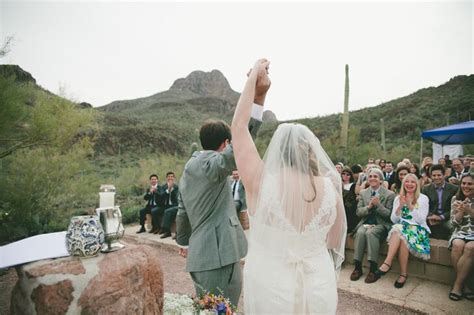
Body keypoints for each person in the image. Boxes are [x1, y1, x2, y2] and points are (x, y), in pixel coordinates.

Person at [232, 59, 346, 314]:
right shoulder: (331, 186)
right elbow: (335, 239)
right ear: (312, 152)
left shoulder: (261, 182)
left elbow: (239, 129)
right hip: (319, 284)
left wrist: (256, 87)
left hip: (271, 287)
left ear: (277, 153)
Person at [175, 62, 270, 307]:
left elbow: (182, 211)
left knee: (208, 309)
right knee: (225, 309)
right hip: (217, 257)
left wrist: (184, 242)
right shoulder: (212, 164)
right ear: (225, 143)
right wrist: (258, 98)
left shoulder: (189, 168)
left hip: (200, 255)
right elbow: (242, 142)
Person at [374, 173, 431, 288]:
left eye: (413, 182)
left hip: (418, 230)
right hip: (402, 230)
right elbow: (394, 220)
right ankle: (403, 274)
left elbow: (421, 220)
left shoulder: (423, 198)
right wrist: (400, 206)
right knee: (401, 233)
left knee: (399, 230)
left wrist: (410, 206)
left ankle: (387, 263)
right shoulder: (398, 198)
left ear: (417, 184)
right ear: (403, 184)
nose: (409, 184)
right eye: (407, 181)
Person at [351, 168, 395, 283]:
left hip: (381, 224)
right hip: (366, 223)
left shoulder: (389, 194)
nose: (372, 179)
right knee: (360, 232)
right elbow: (358, 212)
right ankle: (357, 266)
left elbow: (390, 216)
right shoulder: (363, 193)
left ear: (381, 180)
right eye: (370, 176)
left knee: (371, 233)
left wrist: (379, 205)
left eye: (375, 176)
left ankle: (373, 268)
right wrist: (369, 207)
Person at [448, 174, 474, 301]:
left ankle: (458, 285)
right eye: (464, 183)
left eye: (470, 184)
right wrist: (461, 212)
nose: (466, 186)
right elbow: (453, 223)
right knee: (457, 245)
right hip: (459, 232)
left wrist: (470, 211)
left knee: (470, 247)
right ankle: (466, 284)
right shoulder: (456, 198)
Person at [422, 164, 457, 240]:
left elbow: (454, 208)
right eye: (434, 175)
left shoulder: (454, 189)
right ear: (431, 176)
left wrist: (441, 217)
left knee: (453, 227)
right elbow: (424, 206)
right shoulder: (426, 189)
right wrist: (431, 216)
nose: (436, 177)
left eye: (439, 175)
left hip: (447, 217)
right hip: (431, 217)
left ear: (444, 175)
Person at [158, 171, 179, 239]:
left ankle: (166, 230)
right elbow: (161, 196)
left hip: (174, 205)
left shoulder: (176, 187)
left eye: (172, 177)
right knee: (156, 211)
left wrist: (172, 189)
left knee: (168, 211)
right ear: (166, 178)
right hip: (165, 205)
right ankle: (165, 230)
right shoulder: (163, 187)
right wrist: (168, 190)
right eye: (169, 177)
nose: (170, 178)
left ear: (174, 178)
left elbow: (177, 197)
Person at [342, 166, 359, 233]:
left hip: (348, 206)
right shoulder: (338, 183)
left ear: (350, 176)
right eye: (343, 174)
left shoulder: (353, 185)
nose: (345, 176)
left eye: (347, 174)